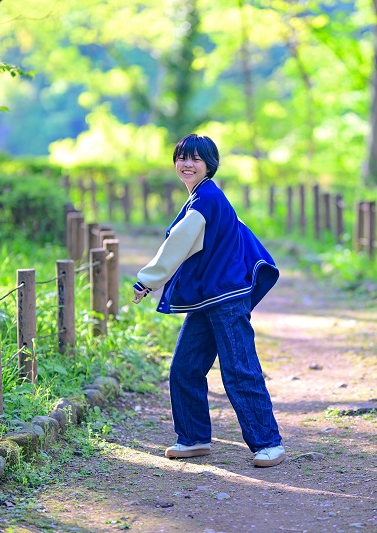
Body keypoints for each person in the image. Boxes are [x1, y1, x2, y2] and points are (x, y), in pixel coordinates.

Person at [131, 134, 286, 468]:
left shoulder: (206, 200)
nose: (187, 164)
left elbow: (178, 244)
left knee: (239, 370)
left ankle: (268, 443)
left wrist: (147, 280)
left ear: (209, 165)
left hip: (226, 298)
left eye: (196, 159)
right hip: (209, 299)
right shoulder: (201, 198)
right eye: (182, 158)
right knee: (185, 368)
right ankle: (194, 437)